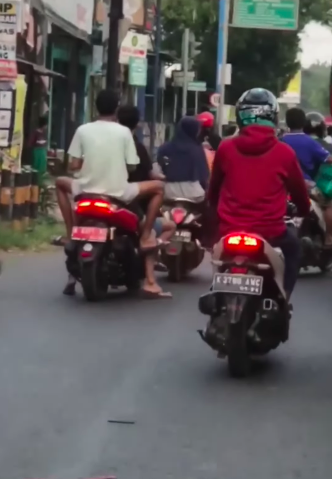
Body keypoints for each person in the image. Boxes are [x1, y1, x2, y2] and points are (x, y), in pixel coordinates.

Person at [208, 88, 310, 299]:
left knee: (216, 254)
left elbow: (214, 190)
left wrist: (216, 211)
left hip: (230, 228)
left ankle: (217, 295)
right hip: (270, 230)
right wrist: (303, 209)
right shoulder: (285, 153)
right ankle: (283, 298)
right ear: (273, 117)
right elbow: (300, 195)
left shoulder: (226, 148)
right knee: (293, 250)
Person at [54, 89, 164, 253]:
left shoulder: (82, 129)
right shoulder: (124, 132)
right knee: (159, 187)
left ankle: (70, 233)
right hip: (117, 191)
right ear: (116, 109)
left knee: (59, 183)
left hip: (84, 189)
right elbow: (132, 166)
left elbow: (73, 165)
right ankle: (146, 235)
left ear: (96, 107)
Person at [117, 104, 176, 284]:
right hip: (132, 206)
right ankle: (151, 274)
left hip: (107, 196)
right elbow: (149, 174)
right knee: (166, 227)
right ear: (137, 124)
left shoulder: (111, 144)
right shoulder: (137, 148)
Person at [282, 107, 332, 245]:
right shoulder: (310, 142)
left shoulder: (279, 140)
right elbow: (328, 159)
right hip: (306, 184)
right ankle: (329, 238)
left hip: (282, 183)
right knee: (328, 203)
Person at [157, 116, 209, 203]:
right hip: (194, 194)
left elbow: (160, 168)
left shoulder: (165, 147)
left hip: (169, 193)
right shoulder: (197, 149)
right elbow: (204, 176)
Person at [29, 116, 48, 184]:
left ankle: (40, 184)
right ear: (44, 125)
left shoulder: (44, 133)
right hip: (37, 151)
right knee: (36, 167)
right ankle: (35, 183)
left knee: (42, 168)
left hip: (42, 151)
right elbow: (31, 143)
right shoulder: (35, 132)